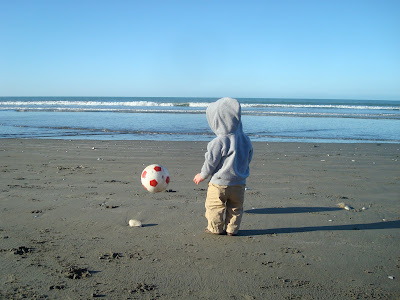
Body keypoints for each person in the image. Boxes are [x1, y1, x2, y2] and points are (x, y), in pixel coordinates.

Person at [193, 97, 253, 236]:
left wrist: (202, 175)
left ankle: (215, 228)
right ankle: (232, 229)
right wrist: (241, 170)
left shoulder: (219, 141)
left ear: (216, 121)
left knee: (214, 207)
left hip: (218, 184)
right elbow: (248, 158)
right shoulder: (245, 139)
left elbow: (211, 162)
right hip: (239, 183)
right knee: (235, 207)